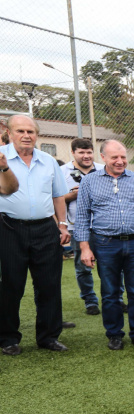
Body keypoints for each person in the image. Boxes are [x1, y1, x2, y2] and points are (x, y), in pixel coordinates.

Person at [75, 140, 134, 350]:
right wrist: (84, 248)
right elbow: (82, 216)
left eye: (123, 157)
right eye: (114, 157)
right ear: (103, 157)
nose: (120, 161)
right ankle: (114, 334)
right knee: (110, 292)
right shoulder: (90, 181)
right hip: (105, 244)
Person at [0, 115, 70, 356]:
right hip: (8, 228)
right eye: (20, 131)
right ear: (9, 133)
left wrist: (62, 224)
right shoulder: (1, 158)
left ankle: (48, 337)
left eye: (31, 131)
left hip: (45, 229)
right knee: (10, 286)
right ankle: (8, 338)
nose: (26, 135)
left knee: (49, 285)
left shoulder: (48, 161)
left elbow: (58, 195)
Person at [63, 138, 124, 316]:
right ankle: (90, 300)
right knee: (83, 266)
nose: (86, 156)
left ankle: (117, 299)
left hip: (105, 227)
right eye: (81, 152)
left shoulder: (104, 169)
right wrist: (73, 195)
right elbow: (57, 199)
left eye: (89, 152)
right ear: (73, 153)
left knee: (114, 264)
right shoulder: (62, 172)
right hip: (78, 227)